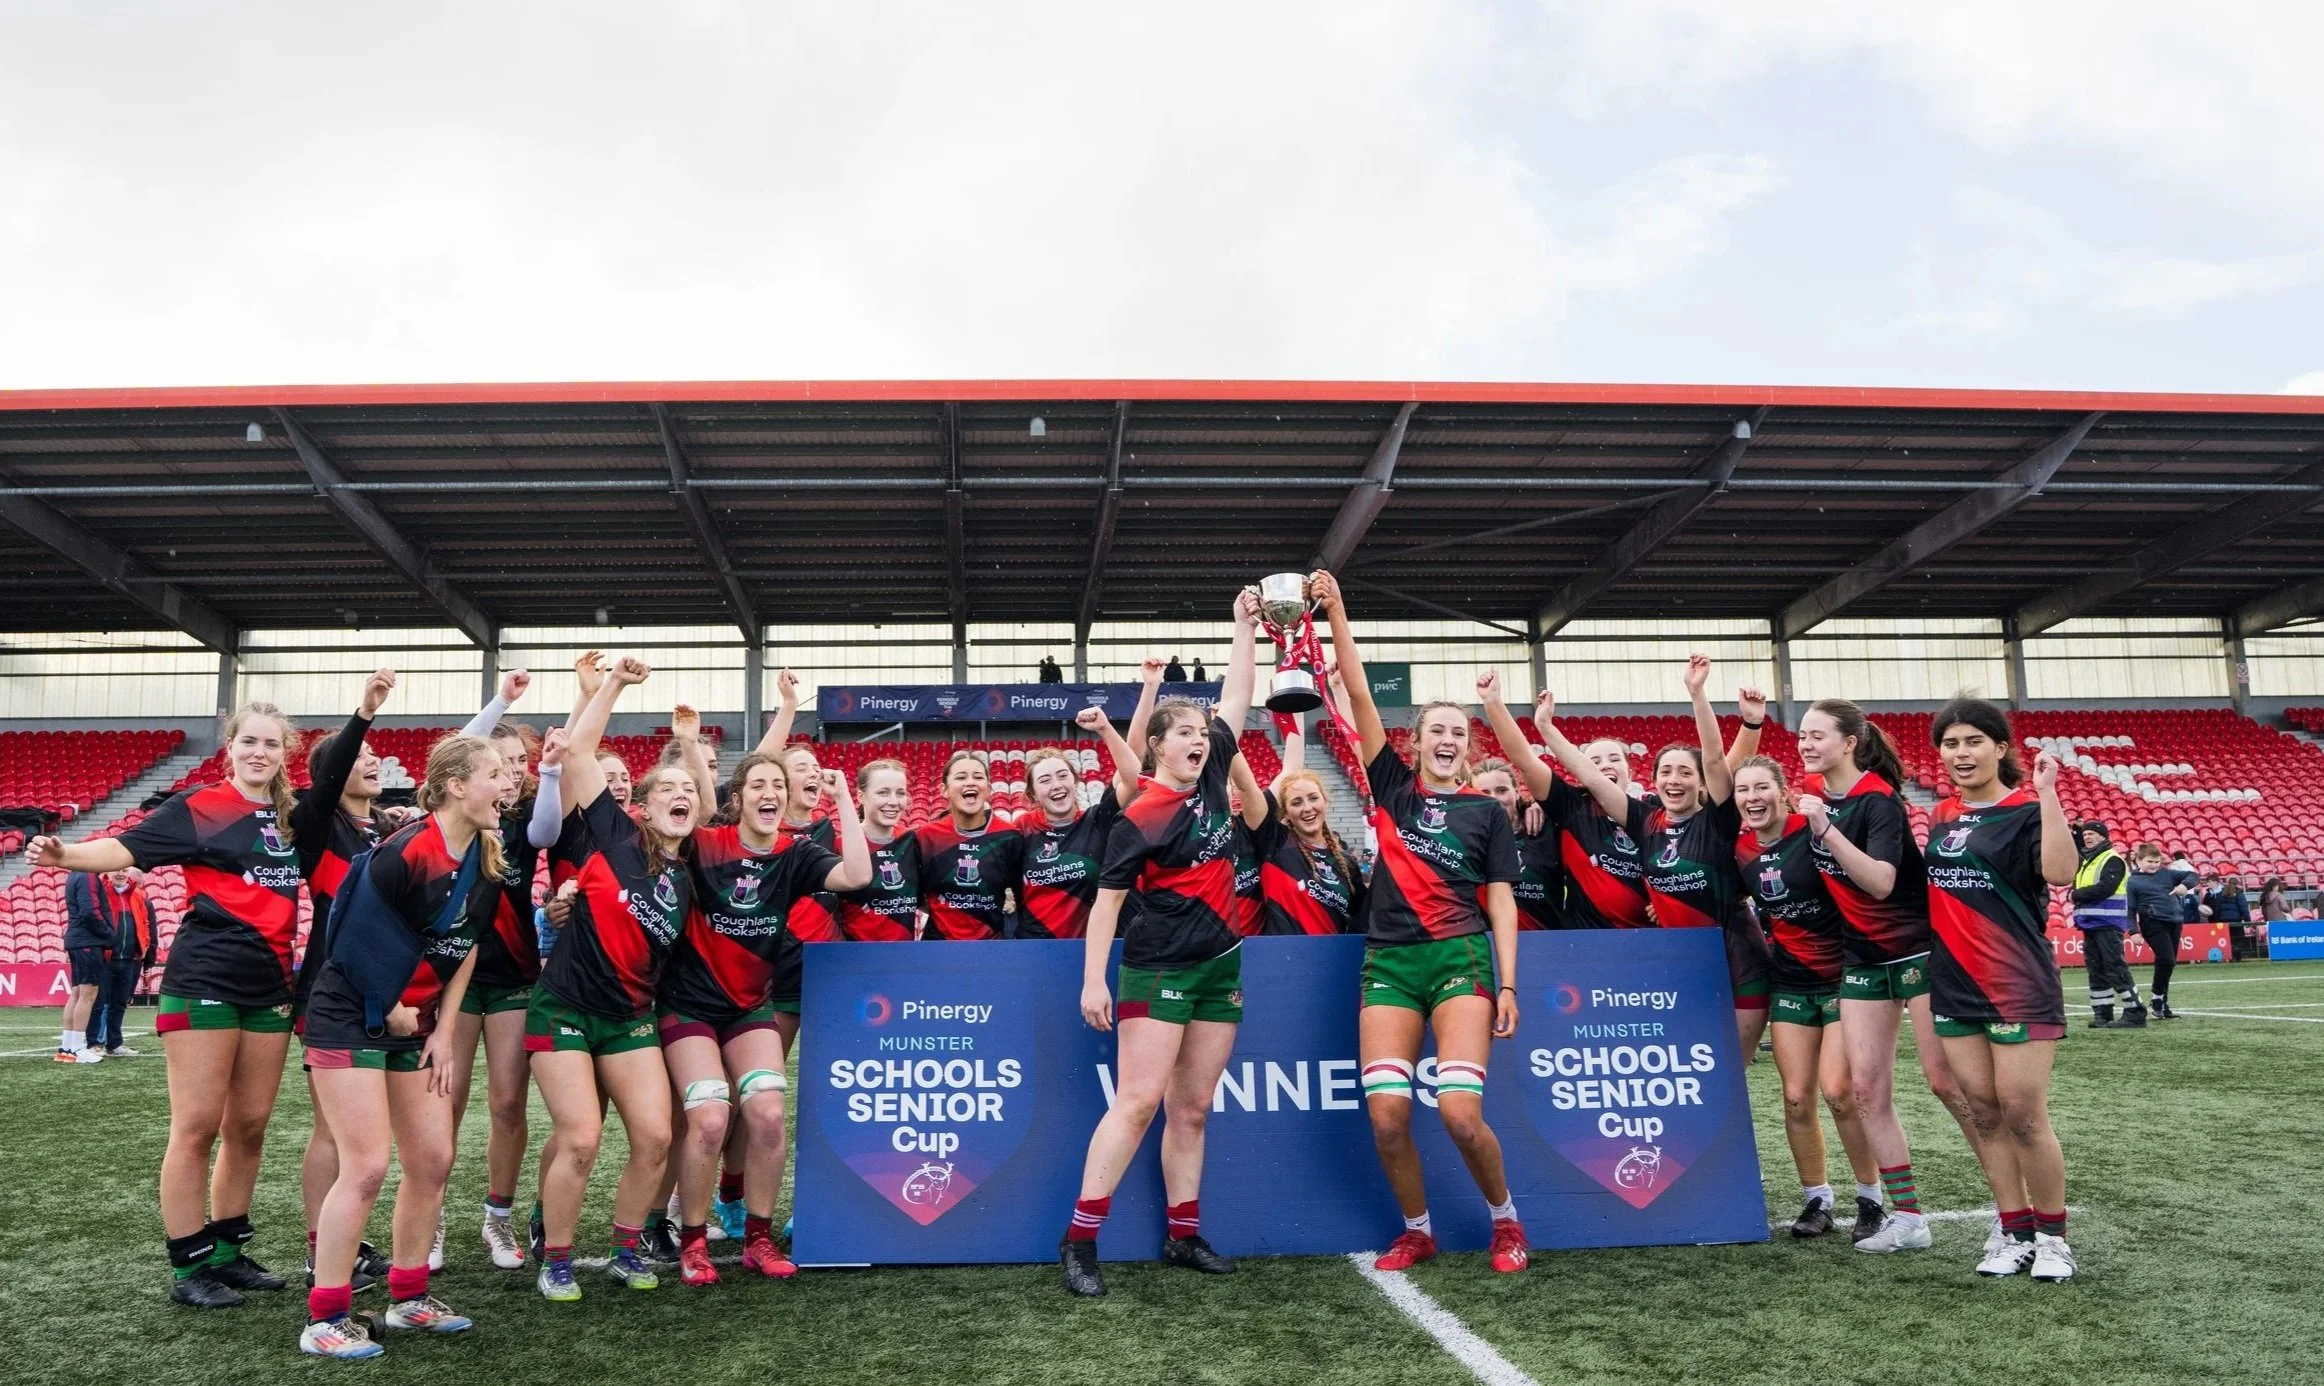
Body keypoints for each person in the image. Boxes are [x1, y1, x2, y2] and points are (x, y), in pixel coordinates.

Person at [29, 702, 306, 1307]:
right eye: (249, 742)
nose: (260, 753)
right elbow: (125, 848)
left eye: (272, 745)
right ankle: (190, 1268)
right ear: (229, 747)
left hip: (271, 984)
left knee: (250, 1126)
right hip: (204, 976)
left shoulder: (291, 817)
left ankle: (230, 1253)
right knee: (197, 1127)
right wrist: (66, 855)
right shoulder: (199, 807)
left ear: (286, 754)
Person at [1318, 572, 1527, 1277]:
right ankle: (1418, 1230)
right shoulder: (1391, 786)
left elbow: (1501, 900)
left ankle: (1506, 1222)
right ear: (1415, 742)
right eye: (1436, 728)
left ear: (1468, 748)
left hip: (1460, 961)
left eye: (1457, 732)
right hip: (1389, 965)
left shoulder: (1486, 812)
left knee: (1461, 1115)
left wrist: (1508, 984)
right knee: (1386, 1119)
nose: (1446, 738)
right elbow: (1357, 687)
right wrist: (1339, 610)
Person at [1060, 593, 1260, 1297]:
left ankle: (1183, 1234)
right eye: (1185, 735)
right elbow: (1106, 904)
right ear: (1157, 746)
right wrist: (1094, 981)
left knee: (1193, 1109)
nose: (1201, 740)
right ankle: (1081, 1241)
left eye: (1203, 733)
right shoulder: (1139, 817)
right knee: (1139, 1102)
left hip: (1221, 965)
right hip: (1156, 970)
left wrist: (1241, 626)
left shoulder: (1212, 775)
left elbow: (1238, 693)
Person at [298, 734, 510, 1358]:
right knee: (365, 1165)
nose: (508, 785)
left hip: (412, 1022)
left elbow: (466, 946)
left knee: (433, 1159)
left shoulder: (487, 858)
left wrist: (444, 1027)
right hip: (348, 1014)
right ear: (455, 787)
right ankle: (325, 1317)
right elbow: (353, 940)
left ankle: (409, 1298)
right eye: (495, 775)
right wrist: (389, 1009)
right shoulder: (403, 852)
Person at [660, 710, 868, 1287]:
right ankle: (695, 1242)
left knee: (769, 1115)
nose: (770, 792)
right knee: (707, 1117)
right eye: (759, 784)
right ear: (739, 796)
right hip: (690, 1006)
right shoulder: (705, 845)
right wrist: (686, 746)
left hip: (751, 1006)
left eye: (778, 785)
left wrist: (843, 798)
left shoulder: (795, 854)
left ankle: (758, 1237)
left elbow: (856, 876)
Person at [525, 656, 697, 1301]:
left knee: (657, 1135)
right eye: (666, 792)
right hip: (564, 1009)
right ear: (644, 808)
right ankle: (558, 1257)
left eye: (688, 793)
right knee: (582, 1136)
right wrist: (615, 687)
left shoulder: (696, 871)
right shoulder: (615, 835)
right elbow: (580, 751)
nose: (679, 798)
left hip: (629, 1018)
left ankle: (628, 1248)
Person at [1494, 664, 1770, 1050]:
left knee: (1717, 1065)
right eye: (1668, 772)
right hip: (1617, 955)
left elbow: (1717, 764)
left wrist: (1726, 711)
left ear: (1632, 769)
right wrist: (1545, 728)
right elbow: (1581, 776)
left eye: (1614, 760)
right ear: (1655, 776)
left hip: (1704, 951)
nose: (1675, 780)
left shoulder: (1689, 815)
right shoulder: (1620, 816)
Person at [1793, 696, 1980, 1252]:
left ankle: (2010, 1202)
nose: (1806, 743)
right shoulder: (1814, 799)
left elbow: (1878, 881)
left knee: (1948, 1083)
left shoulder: (1877, 799)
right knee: (1866, 1090)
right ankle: (1909, 1217)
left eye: (1817, 735)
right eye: (1802, 735)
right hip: (1863, 961)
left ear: (1849, 743)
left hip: (1918, 953)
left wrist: (1824, 829)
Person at [1922, 697, 2078, 1282]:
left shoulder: (2028, 809)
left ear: (1999, 747)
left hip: (2017, 982)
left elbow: (2060, 874)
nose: (1961, 754)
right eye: (1951, 744)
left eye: (1973, 742)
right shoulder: (1939, 816)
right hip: (1954, 985)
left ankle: (2054, 1239)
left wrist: (2049, 795)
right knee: (1984, 1114)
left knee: (2023, 1113)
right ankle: (2013, 1231)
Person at [443, 674, 564, 1273]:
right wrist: (501, 704)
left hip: (514, 976)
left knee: (509, 1102)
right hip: (456, 982)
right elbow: (459, 751)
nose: (514, 770)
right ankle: (431, 1215)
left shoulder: (522, 823)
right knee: (448, 1102)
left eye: (523, 761)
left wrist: (550, 772)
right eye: (505, 761)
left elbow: (547, 829)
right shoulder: (465, 813)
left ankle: (498, 1217)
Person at [1732, 756, 1877, 1238]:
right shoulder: (1740, 851)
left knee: (1838, 1092)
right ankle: (1818, 1200)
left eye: (1761, 788)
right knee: (1796, 1099)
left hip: (1843, 980)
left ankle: (1870, 1200)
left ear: (1782, 791)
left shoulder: (1814, 833)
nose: (1752, 798)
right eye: (1742, 789)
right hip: (1789, 983)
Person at [1477, 686, 1649, 930]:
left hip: (1651, 939)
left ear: (1630, 771)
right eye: (1594, 761)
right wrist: (1493, 702)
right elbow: (1525, 760)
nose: (1604, 766)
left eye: (1614, 759)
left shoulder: (1653, 814)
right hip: (1585, 942)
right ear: (1581, 769)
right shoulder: (1572, 808)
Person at [1016, 675, 1152, 939]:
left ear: (1076, 780)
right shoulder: (1020, 830)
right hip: (1035, 949)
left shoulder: (1097, 820)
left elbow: (1135, 776)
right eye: (1045, 780)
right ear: (1033, 794)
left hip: (1093, 947)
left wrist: (1106, 729)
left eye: (1062, 776)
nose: (1056, 785)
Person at [912, 750, 1025, 939]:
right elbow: (915, 896)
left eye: (978, 777)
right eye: (961, 777)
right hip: (937, 947)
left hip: (992, 947)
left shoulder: (1009, 836)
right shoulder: (927, 837)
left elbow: (1022, 895)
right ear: (944, 790)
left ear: (988, 789)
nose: (970, 782)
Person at [1471, 760, 1562, 931]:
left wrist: (1544, 805)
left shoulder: (1546, 830)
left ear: (1517, 792)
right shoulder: (1466, 840)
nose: (1494, 799)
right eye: (1484, 792)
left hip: (1546, 944)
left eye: (1501, 790)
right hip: (1488, 946)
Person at [837, 760, 923, 940]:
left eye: (900, 793)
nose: (893, 802)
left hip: (904, 958)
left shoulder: (914, 841)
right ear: (861, 796)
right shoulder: (840, 846)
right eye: (883, 793)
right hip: (854, 959)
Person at [80, 867, 159, 1057]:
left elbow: (146, 925)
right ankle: (94, 1043)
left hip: (130, 959)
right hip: (106, 958)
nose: (120, 874)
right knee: (99, 1003)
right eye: (116, 870)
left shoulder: (139, 896)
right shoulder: (101, 894)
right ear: (107, 873)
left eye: (124, 870)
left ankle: (114, 1044)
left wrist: (145, 950)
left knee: (120, 1003)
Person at [2071, 822, 2141, 1027]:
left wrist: (2075, 895)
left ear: (2103, 836)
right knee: (2096, 969)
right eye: (2085, 834)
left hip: (2108, 922)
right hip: (2091, 923)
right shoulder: (2088, 860)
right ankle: (2103, 1013)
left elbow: (2105, 888)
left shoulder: (2112, 859)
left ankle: (2135, 1011)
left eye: (2092, 834)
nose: (2087, 837)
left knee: (2114, 967)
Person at [2126, 843, 2191, 1021]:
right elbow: (2130, 910)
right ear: (2138, 860)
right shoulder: (2133, 881)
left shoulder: (2167, 874)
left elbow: (2193, 875)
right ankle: (2157, 999)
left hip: (2175, 921)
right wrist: (2133, 931)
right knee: (2166, 959)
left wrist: (2185, 885)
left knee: (2168, 963)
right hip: (2152, 923)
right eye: (2150, 861)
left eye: (2157, 861)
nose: (2154, 865)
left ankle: (2161, 1002)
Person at [59, 868, 115, 1062]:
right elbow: (90, 911)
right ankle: (76, 1049)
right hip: (87, 942)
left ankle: (67, 1048)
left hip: (77, 940)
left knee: (76, 994)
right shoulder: (87, 875)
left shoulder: (74, 875)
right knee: (87, 994)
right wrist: (109, 934)